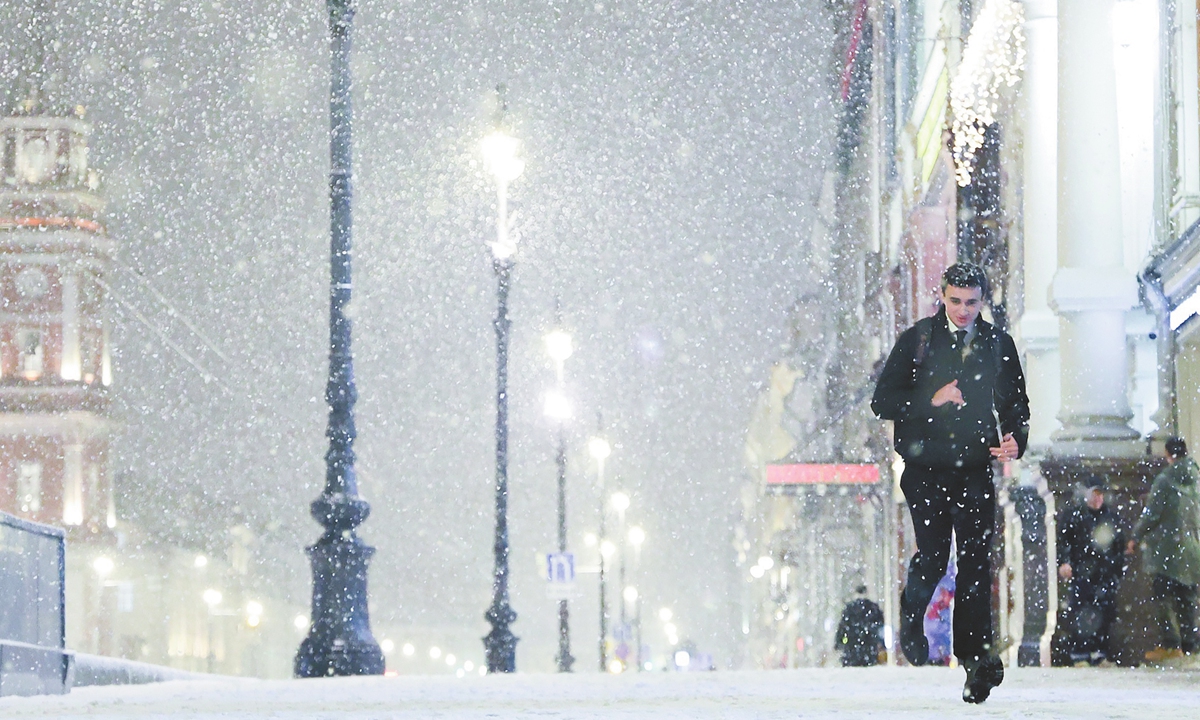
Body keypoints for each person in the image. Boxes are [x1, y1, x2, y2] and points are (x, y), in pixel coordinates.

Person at [871, 262, 1030, 704]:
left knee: (977, 562)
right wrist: (931, 398)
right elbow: (882, 401)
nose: (963, 310)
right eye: (955, 301)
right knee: (937, 556)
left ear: (983, 301)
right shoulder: (919, 340)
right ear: (942, 295)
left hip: (975, 467)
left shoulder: (998, 345)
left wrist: (1017, 439)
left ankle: (974, 659)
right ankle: (912, 611)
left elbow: (1016, 403)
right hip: (924, 469)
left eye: (972, 302)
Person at [1129, 436, 1200, 661]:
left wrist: (1136, 536)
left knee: (1162, 594)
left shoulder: (1165, 480)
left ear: (1169, 455)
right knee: (1187, 596)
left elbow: (1152, 515)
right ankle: (1190, 644)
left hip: (1168, 549)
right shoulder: (1196, 479)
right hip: (1191, 547)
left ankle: (1171, 644)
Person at [1056, 475, 1125, 665]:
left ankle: (1098, 652)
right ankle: (1082, 652)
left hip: (1103, 573)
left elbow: (1119, 545)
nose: (1098, 499)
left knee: (1103, 614)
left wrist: (1116, 569)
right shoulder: (1075, 516)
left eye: (1100, 495)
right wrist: (1065, 562)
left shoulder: (1108, 517)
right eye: (1094, 495)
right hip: (1083, 573)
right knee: (1082, 612)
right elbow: (1064, 542)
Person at [835, 586, 885, 666]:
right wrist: (881, 643)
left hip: (852, 647)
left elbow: (843, 627)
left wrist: (839, 642)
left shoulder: (849, 608)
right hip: (869, 646)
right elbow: (880, 627)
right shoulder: (873, 608)